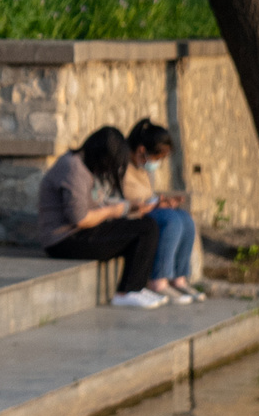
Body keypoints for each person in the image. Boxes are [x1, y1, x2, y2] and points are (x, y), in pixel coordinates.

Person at [38, 124, 168, 307]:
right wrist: (114, 211)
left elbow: (99, 203)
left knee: (145, 224)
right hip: (63, 240)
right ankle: (127, 292)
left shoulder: (87, 166)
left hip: (80, 232)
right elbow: (80, 218)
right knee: (145, 229)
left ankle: (136, 288)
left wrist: (130, 208)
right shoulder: (73, 167)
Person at [126, 120, 204, 301]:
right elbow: (129, 199)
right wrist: (155, 204)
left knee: (185, 218)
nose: (157, 163)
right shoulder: (125, 165)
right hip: (134, 213)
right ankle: (158, 280)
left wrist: (162, 201)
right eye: (157, 157)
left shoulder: (143, 168)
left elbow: (147, 195)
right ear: (141, 150)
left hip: (148, 208)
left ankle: (179, 278)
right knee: (171, 221)